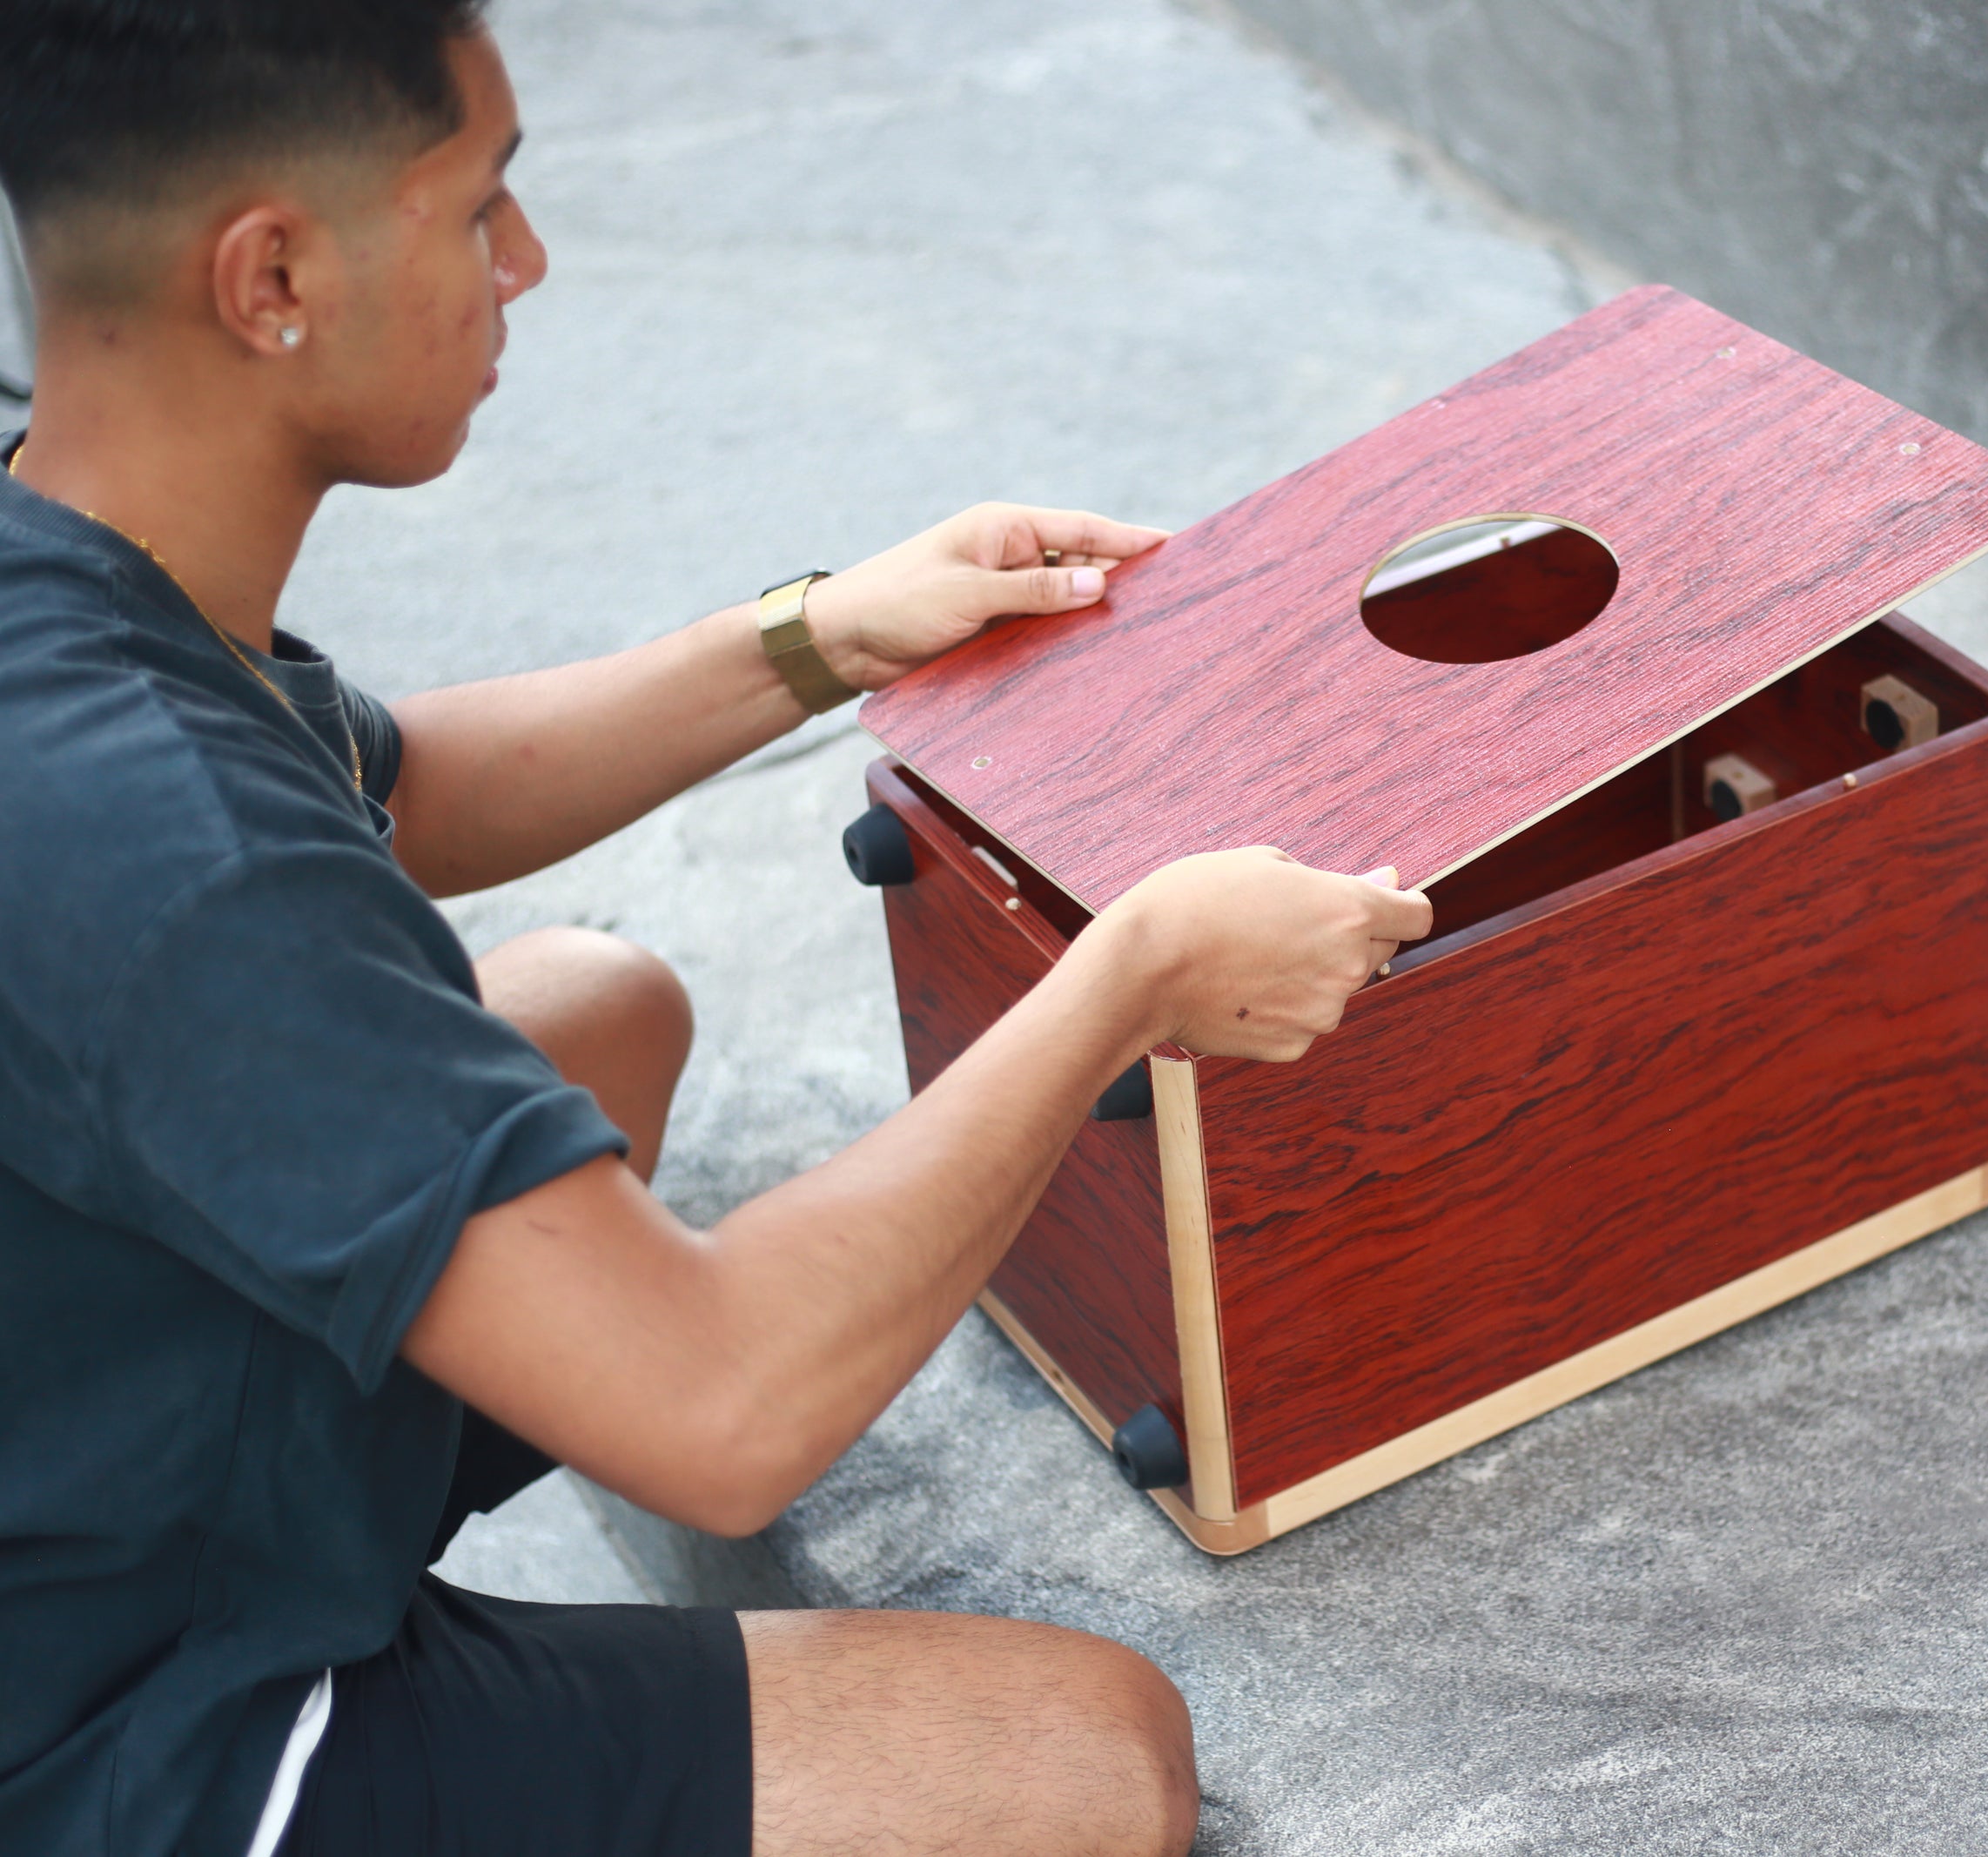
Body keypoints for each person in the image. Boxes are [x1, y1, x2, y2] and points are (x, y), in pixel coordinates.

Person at [0, 3, 1434, 1854]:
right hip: (104, 1725)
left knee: (595, 1006)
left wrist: (827, 628)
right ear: (272, 273)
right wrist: (1127, 977)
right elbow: (729, 1411)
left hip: (97, 1420)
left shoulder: (71, 577)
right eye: (477, 209)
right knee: (1086, 1762)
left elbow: (403, 780)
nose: (527, 262)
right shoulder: (170, 853)